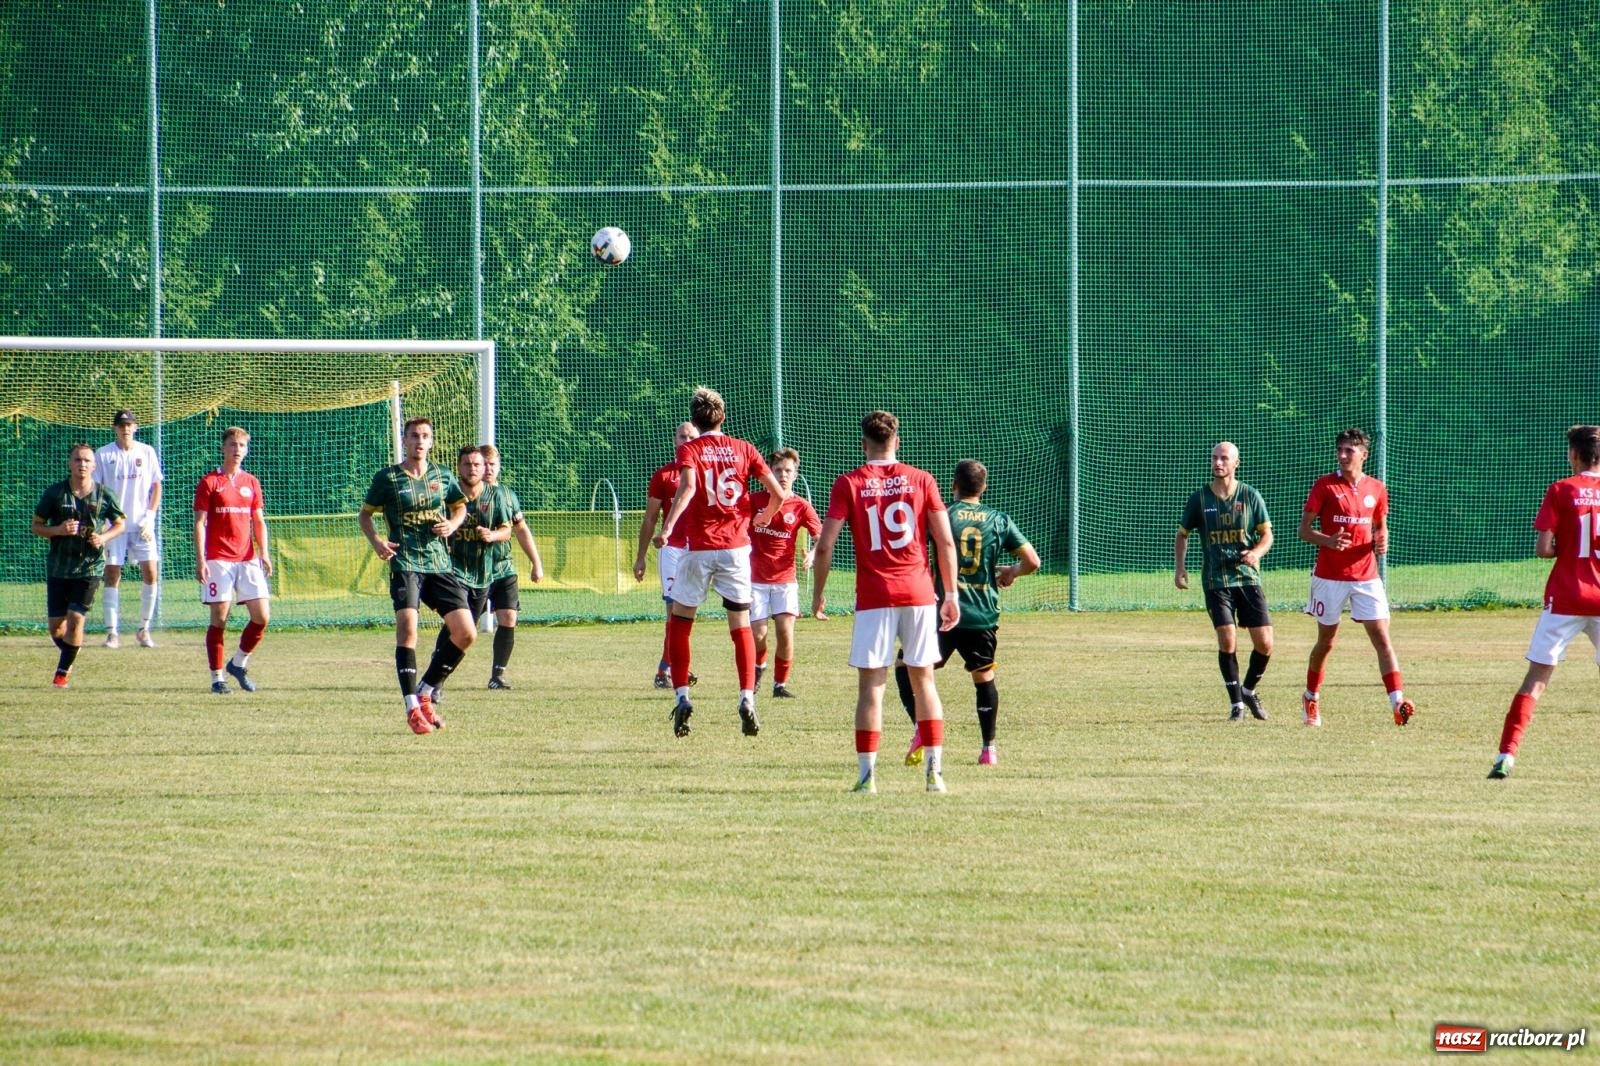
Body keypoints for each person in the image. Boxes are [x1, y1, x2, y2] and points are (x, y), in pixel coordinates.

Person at [811, 410, 961, 794]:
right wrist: (951, 594)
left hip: (875, 595)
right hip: (918, 593)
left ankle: (867, 778)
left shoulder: (849, 483)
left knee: (871, 687)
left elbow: (825, 545)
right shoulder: (922, 479)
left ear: (864, 444)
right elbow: (945, 541)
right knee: (924, 681)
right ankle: (934, 774)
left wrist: (818, 592)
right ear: (897, 441)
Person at [655, 388, 786, 738]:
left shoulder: (690, 449)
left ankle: (682, 695)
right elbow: (778, 493)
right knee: (741, 624)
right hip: (736, 549)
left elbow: (687, 488)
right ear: (722, 417)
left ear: (694, 421)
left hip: (698, 547)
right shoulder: (744, 448)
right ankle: (747, 698)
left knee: (680, 621)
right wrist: (764, 517)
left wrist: (667, 528)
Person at [897, 459, 1039, 766]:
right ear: (983, 487)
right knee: (983, 675)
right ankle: (989, 750)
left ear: (953, 485)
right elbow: (1032, 561)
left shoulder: (942, 514)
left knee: (905, 666)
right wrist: (1012, 571)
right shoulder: (998, 519)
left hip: (942, 611)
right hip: (982, 613)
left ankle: (921, 727)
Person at [1488, 425, 1600, 779]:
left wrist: (1564, 547)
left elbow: (1543, 549)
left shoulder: (1561, 489)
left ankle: (1506, 756)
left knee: (1535, 680)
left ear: (1573, 454)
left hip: (1566, 596)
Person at [359, 417, 474, 735]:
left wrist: (453, 524)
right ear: (405, 440)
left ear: (431, 441)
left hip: (438, 564)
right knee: (408, 629)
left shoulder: (442, 475)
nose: (420, 441)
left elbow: (460, 507)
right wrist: (377, 541)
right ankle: (412, 707)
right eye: (414, 436)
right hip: (405, 562)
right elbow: (365, 515)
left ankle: (425, 691)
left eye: (425, 436)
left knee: (466, 633)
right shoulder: (388, 478)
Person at [1297, 427, 1415, 728]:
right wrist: (1327, 540)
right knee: (1327, 642)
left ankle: (1397, 703)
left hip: (1366, 576)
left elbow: (1380, 525)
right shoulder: (1325, 485)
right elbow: (1304, 530)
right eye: (1340, 450)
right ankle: (1311, 696)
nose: (1342, 455)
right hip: (1330, 577)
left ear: (1364, 454)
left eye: (1349, 450)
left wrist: (1383, 538)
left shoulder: (1376, 488)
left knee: (1383, 638)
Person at [1174, 441, 1275, 722]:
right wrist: (1180, 568)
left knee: (1265, 644)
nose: (1218, 463)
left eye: (1224, 458)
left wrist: (1256, 553)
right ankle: (1236, 705)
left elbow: (1267, 535)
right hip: (1216, 580)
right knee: (1227, 638)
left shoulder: (1250, 495)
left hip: (1247, 578)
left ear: (1236, 463)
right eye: (1214, 458)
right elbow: (1182, 534)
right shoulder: (1199, 499)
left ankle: (1248, 690)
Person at [31, 444, 125, 687]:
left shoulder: (104, 494)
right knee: (56, 628)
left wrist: (103, 538)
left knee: (75, 618)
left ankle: (61, 674)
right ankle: (73, 648)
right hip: (59, 567)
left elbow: (120, 524)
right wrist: (58, 530)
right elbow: (36, 526)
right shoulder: (55, 493)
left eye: (86, 461)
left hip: (89, 567)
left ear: (94, 465)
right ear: (69, 463)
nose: (82, 464)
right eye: (77, 460)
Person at [193, 427, 272, 694]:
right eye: (232, 444)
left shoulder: (251, 482)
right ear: (223, 448)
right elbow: (200, 523)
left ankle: (238, 663)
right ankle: (217, 678)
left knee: (262, 616)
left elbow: (258, 521)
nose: (237, 449)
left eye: (242, 445)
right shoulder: (209, 482)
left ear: (246, 450)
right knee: (220, 618)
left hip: (247, 558)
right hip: (218, 559)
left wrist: (264, 553)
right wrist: (201, 559)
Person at [749, 447, 821, 699]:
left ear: (795, 474)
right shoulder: (753, 501)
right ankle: (758, 668)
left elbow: (821, 536)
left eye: (788, 470)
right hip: (754, 579)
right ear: (769, 472)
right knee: (758, 634)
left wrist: (813, 554)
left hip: (785, 579)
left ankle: (779, 685)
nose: (783, 475)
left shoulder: (801, 506)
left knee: (785, 632)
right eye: (778, 470)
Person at [633, 422, 700, 688]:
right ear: (674, 440)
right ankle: (666, 670)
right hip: (672, 549)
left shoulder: (707, 473)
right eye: (682, 436)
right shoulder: (664, 475)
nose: (687, 440)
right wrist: (640, 557)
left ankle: (673, 665)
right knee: (674, 610)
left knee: (689, 612)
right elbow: (650, 519)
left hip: (701, 549)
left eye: (692, 436)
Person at [94, 409, 164, 648]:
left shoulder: (146, 451)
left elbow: (156, 485)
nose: (125, 429)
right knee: (112, 573)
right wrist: (102, 522)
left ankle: (144, 629)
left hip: (142, 524)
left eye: (129, 425)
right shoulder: (104, 454)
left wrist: (150, 516)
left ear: (135, 427)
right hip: (115, 525)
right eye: (121, 425)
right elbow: (97, 491)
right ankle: (112, 633)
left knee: (151, 572)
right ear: (115, 428)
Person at [479, 443, 543, 686]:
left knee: (508, 617)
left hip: (503, 568)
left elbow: (521, 529)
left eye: (492, 464)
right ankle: (437, 676)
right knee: (461, 626)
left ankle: (497, 675)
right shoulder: (466, 494)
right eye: (484, 464)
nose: (488, 469)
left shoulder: (507, 495)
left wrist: (536, 562)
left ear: (499, 467)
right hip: (473, 570)